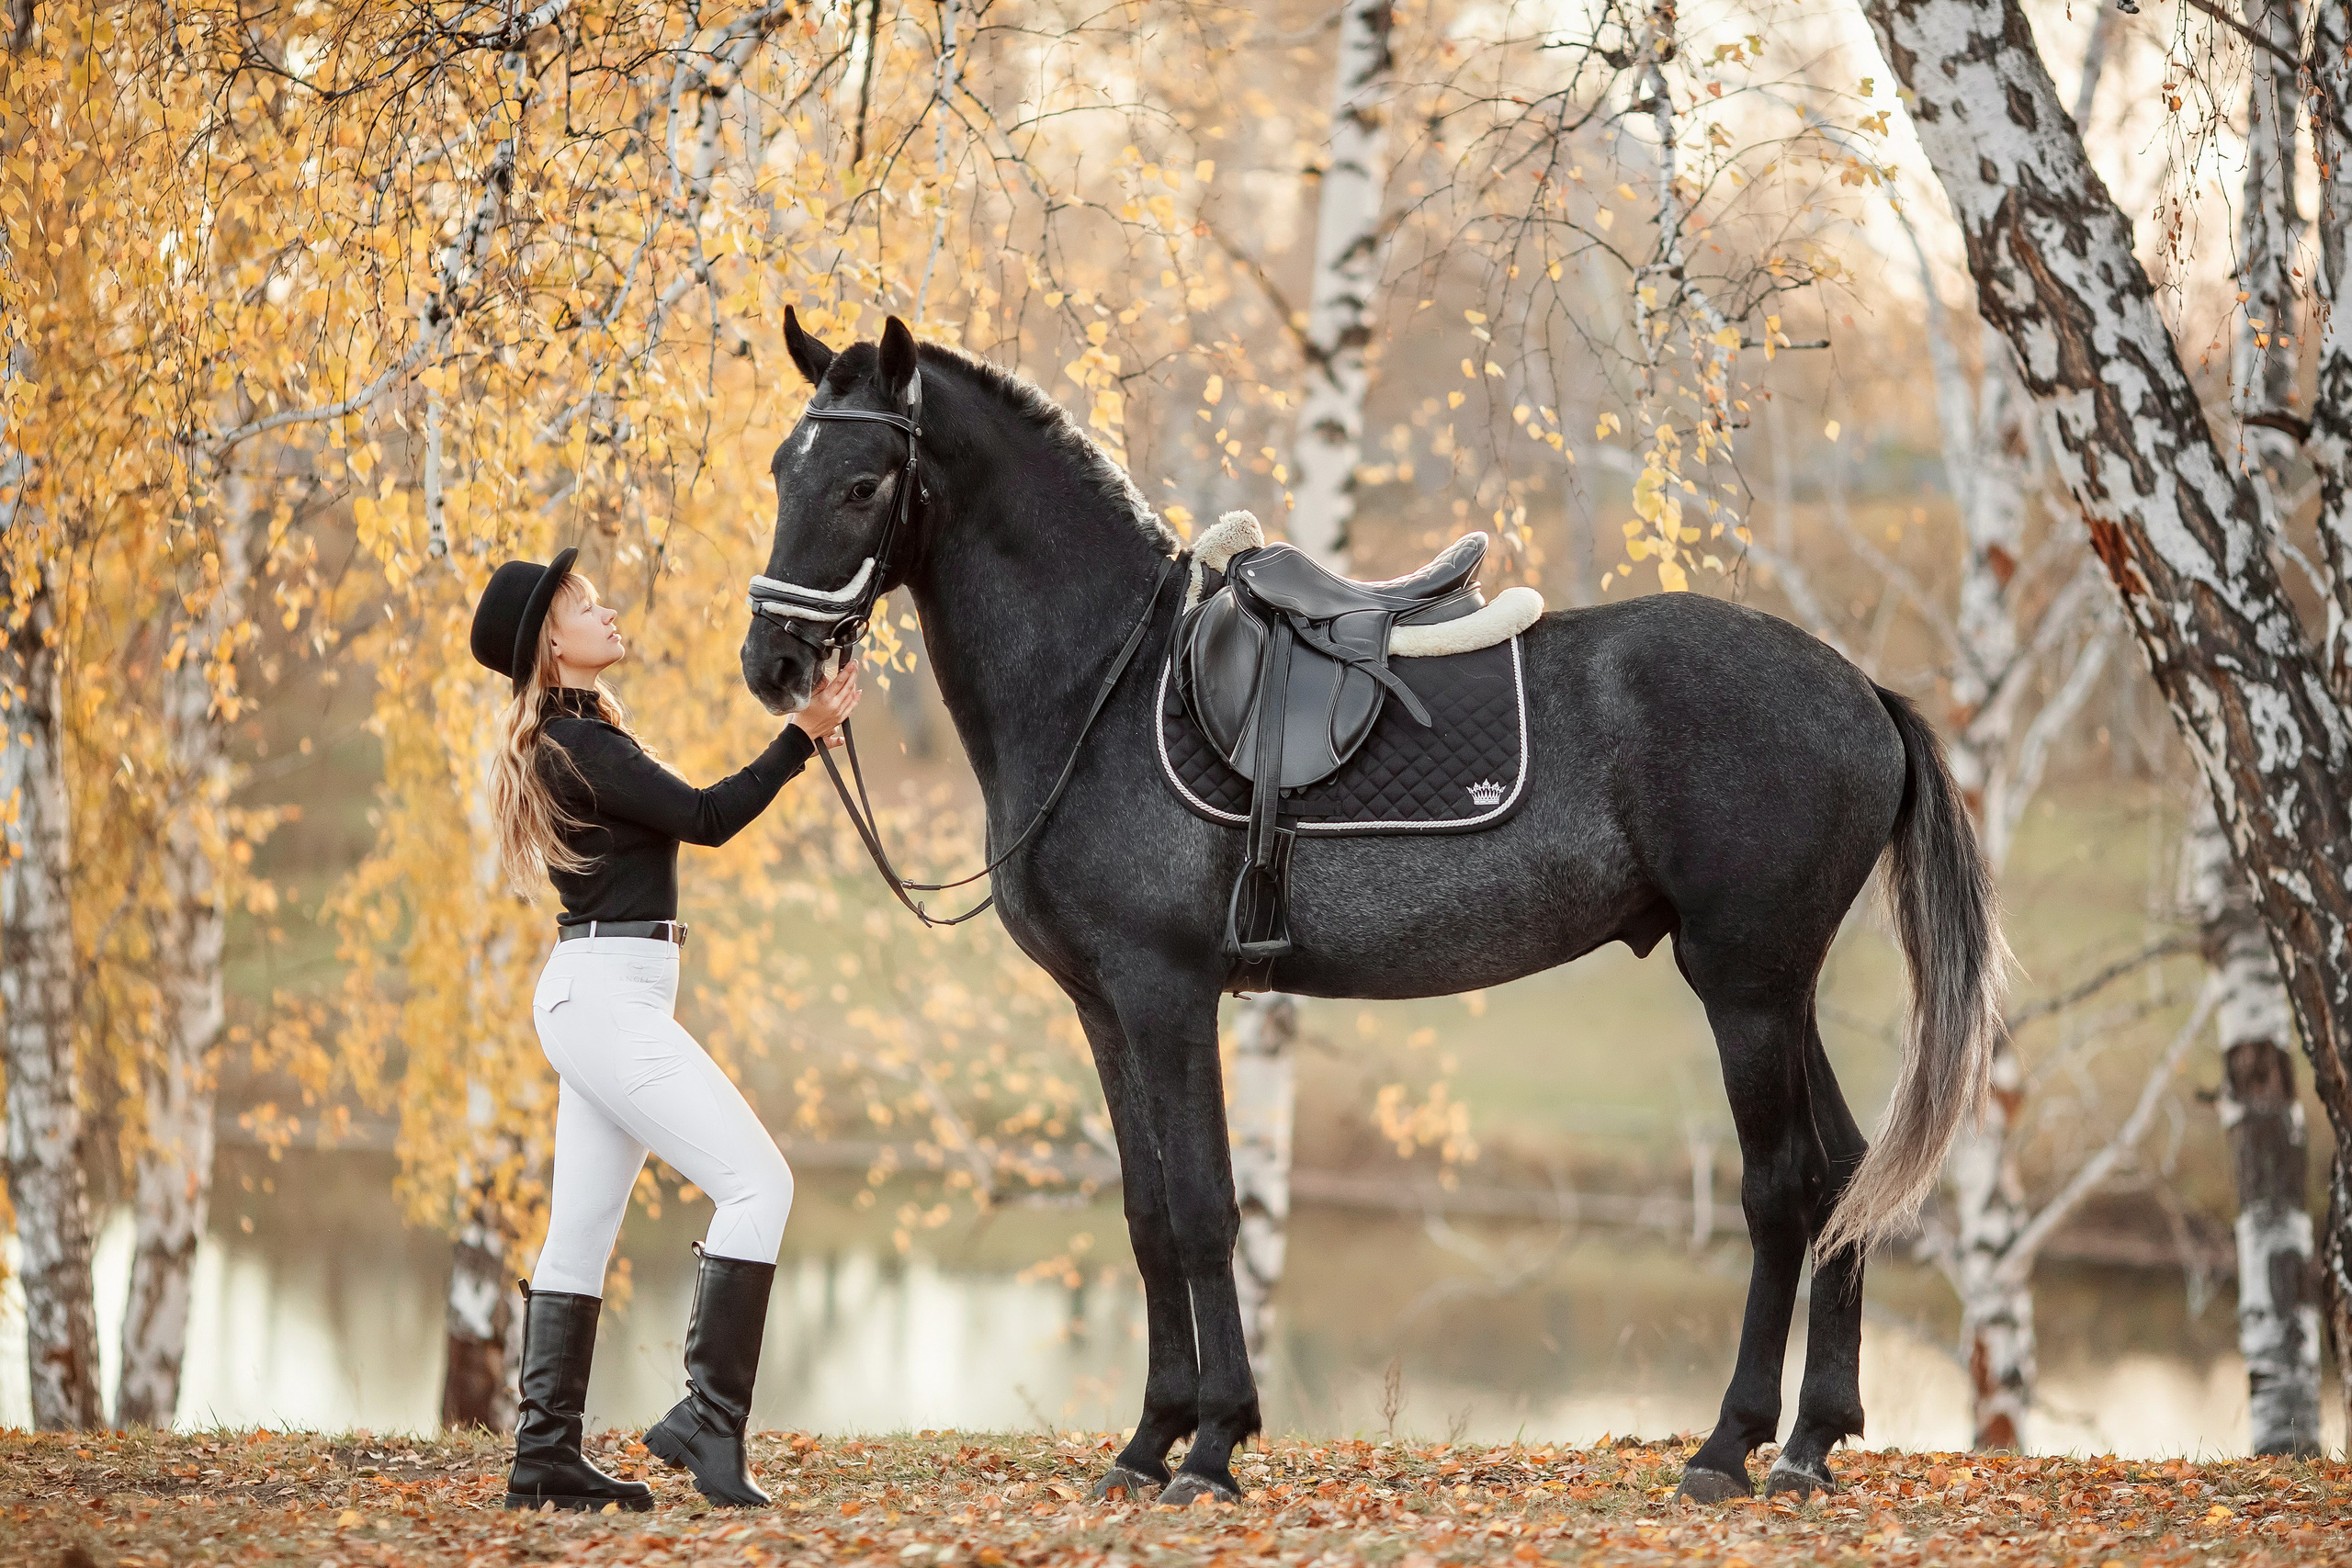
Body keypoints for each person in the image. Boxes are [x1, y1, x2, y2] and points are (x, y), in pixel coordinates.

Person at [471, 547, 859, 1511]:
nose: (607, 614)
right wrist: (800, 736)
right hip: (604, 998)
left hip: (605, 994)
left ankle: (543, 1459)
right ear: (549, 642)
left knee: (580, 1231)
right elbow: (705, 815)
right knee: (759, 1184)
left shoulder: (580, 735)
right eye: (584, 605)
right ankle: (706, 1422)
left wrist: (804, 737)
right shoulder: (579, 743)